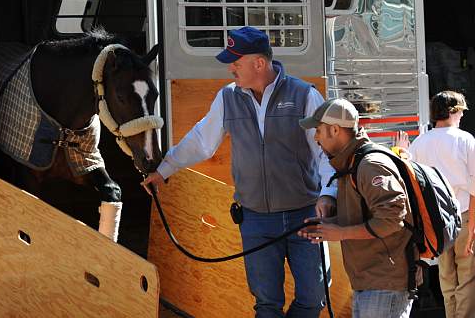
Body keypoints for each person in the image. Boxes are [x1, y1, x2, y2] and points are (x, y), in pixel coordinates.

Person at [141, 26, 336, 318]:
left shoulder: (304, 95)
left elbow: (326, 152)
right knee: (266, 304)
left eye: (236, 61)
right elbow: (200, 141)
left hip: (304, 216)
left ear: (259, 63)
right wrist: (165, 169)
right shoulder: (227, 97)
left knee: (314, 297)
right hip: (255, 219)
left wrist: (328, 194)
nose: (231, 67)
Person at [298, 98, 415, 318]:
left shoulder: (370, 165)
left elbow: (392, 220)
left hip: (384, 284)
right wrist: (328, 227)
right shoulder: (351, 163)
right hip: (371, 283)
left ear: (334, 130)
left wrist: (340, 232)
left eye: (319, 130)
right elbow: (367, 215)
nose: (315, 137)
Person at [395, 91, 475, 318]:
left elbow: (410, 182)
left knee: (447, 278)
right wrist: (473, 227)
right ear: (453, 111)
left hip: (435, 221)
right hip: (464, 215)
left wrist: (401, 153)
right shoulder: (465, 139)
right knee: (468, 278)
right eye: (460, 111)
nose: (461, 116)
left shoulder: (420, 143)